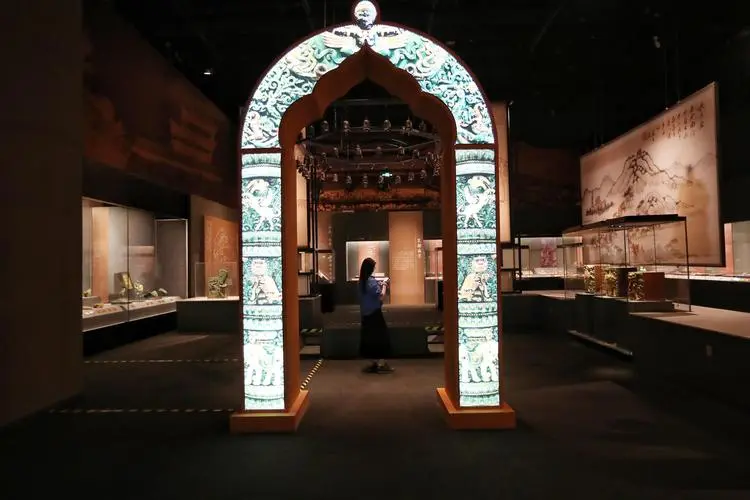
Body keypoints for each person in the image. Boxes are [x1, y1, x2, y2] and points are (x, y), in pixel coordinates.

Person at [358, 257, 393, 374]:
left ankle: (373, 363)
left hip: (365, 314)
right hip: (375, 314)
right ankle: (381, 364)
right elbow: (381, 296)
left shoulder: (362, 281)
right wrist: (384, 284)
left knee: (369, 339)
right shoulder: (371, 281)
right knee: (381, 338)